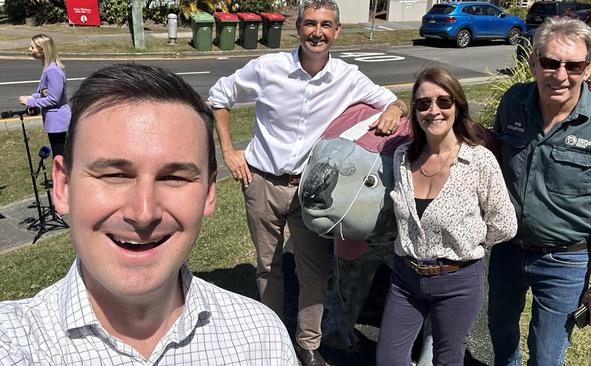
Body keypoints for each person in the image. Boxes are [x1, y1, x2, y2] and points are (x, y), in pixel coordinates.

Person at [0, 64, 298, 365]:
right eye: (115, 175)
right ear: (63, 186)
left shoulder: (263, 339)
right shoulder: (13, 340)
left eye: (174, 178)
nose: (143, 213)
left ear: (209, 193)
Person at [207, 1, 408, 364]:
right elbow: (220, 97)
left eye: (326, 25)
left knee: (313, 273)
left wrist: (393, 109)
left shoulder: (347, 76)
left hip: (310, 191)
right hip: (261, 181)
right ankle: (270, 336)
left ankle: (308, 345)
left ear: (337, 31)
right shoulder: (268, 68)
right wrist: (228, 151)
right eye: (311, 24)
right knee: (268, 266)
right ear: (297, 28)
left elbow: (394, 101)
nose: (318, 32)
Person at [488, 17, 591, 366]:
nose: (560, 75)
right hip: (507, 250)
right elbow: (492, 159)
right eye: (551, 63)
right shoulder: (513, 102)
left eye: (574, 65)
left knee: (547, 352)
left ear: (589, 67)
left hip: (565, 260)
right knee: (500, 331)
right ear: (533, 63)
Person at [376, 66, 518, 366]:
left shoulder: (478, 160)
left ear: (458, 106)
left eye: (444, 101)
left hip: (458, 280)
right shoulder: (403, 157)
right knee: (388, 359)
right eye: (424, 104)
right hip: (406, 277)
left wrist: (466, 241)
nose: (434, 110)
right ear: (415, 111)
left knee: (447, 360)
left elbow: (505, 224)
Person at [19, 34, 70, 158]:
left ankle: (63, 177)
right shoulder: (49, 68)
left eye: (32, 47)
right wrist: (32, 97)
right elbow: (45, 93)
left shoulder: (52, 71)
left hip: (58, 121)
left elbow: (53, 99)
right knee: (59, 154)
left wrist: (31, 102)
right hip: (54, 122)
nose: (29, 49)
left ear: (42, 50)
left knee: (60, 156)